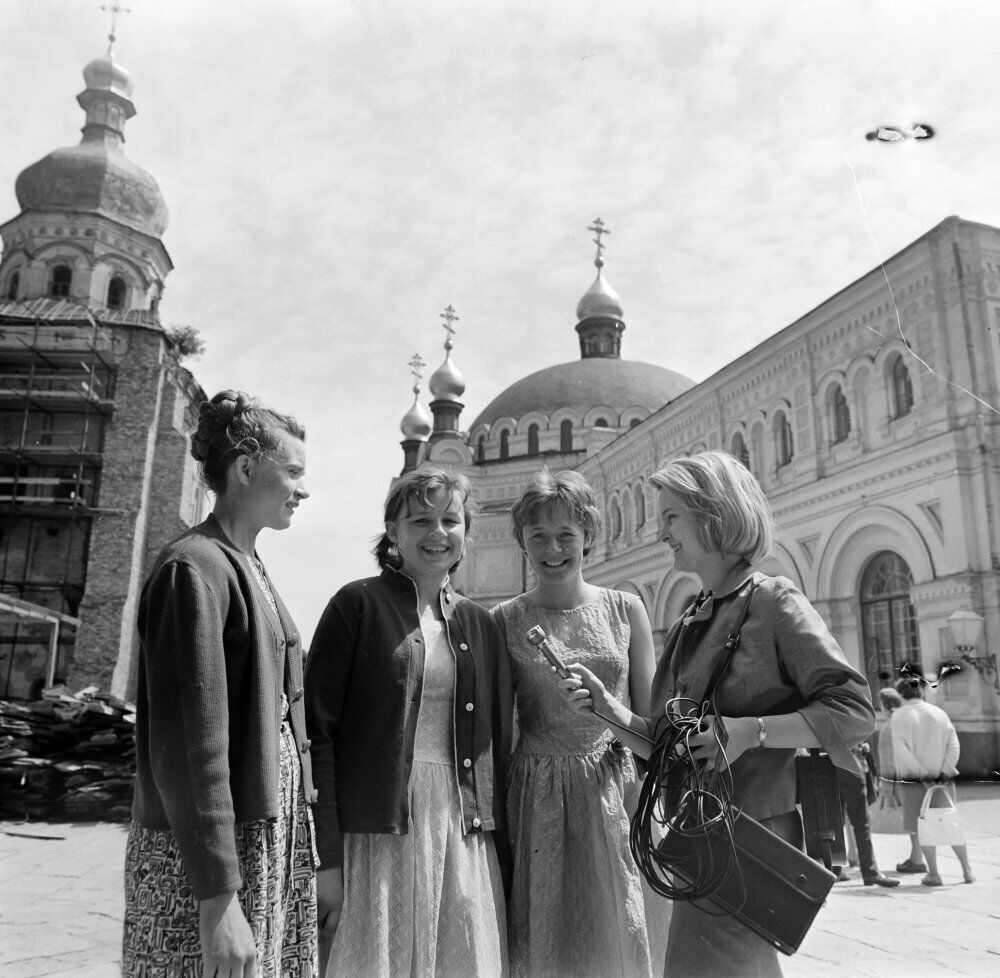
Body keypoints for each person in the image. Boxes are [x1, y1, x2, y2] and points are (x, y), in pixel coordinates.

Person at [561, 450, 875, 978]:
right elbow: (667, 748)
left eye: (670, 517)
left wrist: (749, 732)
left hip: (752, 835)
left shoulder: (774, 600)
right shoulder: (694, 618)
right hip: (699, 834)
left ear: (714, 514)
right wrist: (608, 710)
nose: (659, 531)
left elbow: (854, 711)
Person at [122, 390, 316, 977]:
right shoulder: (195, 567)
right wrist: (218, 900)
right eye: (294, 472)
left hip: (256, 840)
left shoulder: (244, 563)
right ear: (247, 467)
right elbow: (190, 745)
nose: (304, 489)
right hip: (209, 863)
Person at [305, 466, 512, 977]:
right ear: (393, 531)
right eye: (420, 520)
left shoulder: (480, 623)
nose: (437, 533)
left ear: (466, 533)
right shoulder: (355, 605)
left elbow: (497, 747)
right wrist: (325, 860)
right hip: (376, 833)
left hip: (460, 827)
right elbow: (316, 737)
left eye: (450, 520)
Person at [492, 470, 655, 978]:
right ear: (521, 541)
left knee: (618, 925)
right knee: (545, 933)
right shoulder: (504, 619)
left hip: (614, 785)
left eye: (566, 534)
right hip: (536, 791)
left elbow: (653, 730)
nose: (553, 548)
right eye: (537, 535)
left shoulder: (626, 609)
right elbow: (498, 732)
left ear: (588, 535)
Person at [890, 677, 975, 885]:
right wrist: (943, 772)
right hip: (943, 780)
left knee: (923, 827)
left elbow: (902, 751)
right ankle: (967, 870)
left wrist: (923, 775)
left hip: (913, 781)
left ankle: (934, 873)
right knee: (950, 823)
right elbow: (953, 745)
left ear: (901, 694)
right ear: (922, 692)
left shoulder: (899, 716)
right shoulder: (939, 713)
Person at [835, 743, 898, 886]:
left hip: (829, 765)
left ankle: (834, 868)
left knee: (834, 822)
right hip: (851, 767)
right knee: (861, 824)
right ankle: (870, 872)